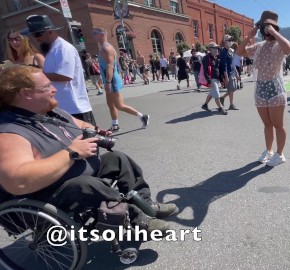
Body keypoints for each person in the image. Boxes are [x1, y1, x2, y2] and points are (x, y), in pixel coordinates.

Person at [0, 65, 178, 234]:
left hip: (79, 175)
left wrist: (92, 131)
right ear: (26, 93)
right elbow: (16, 181)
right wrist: (71, 153)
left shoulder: (49, 111)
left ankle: (145, 204)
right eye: (47, 86)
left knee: (117, 159)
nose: (54, 89)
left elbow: (80, 124)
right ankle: (137, 220)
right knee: (85, 185)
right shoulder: (9, 132)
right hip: (50, 195)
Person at [237, 10, 290, 167]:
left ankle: (280, 154)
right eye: (265, 28)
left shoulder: (280, 45)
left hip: (275, 89)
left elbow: (288, 48)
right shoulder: (259, 46)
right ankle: (269, 150)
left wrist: (273, 31)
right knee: (267, 125)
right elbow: (239, 52)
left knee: (278, 125)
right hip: (260, 90)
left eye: (270, 27)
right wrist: (249, 35)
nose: (266, 31)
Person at [21, 15, 96, 125]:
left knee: (88, 140)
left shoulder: (63, 48)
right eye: (33, 35)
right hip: (63, 108)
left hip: (74, 108)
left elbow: (65, 76)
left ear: (50, 31)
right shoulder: (53, 49)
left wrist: (38, 74)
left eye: (37, 34)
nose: (36, 38)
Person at [91, 26, 150, 132]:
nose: (93, 35)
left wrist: (108, 82)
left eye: (95, 33)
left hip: (112, 80)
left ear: (102, 35)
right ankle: (115, 125)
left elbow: (110, 66)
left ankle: (142, 116)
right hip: (108, 80)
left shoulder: (106, 48)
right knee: (110, 104)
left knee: (119, 105)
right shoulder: (103, 48)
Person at [200, 42, 228, 115]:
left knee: (212, 93)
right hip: (211, 79)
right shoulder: (206, 58)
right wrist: (209, 81)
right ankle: (220, 108)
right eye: (216, 48)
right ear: (211, 49)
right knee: (217, 94)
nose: (217, 50)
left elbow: (217, 70)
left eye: (217, 49)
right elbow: (205, 70)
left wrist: (221, 80)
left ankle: (205, 105)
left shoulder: (216, 58)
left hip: (216, 79)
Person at [219, 34, 239, 110]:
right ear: (224, 41)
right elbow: (224, 65)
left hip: (232, 72)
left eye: (231, 40)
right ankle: (231, 104)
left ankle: (223, 98)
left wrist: (236, 72)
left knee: (232, 89)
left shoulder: (230, 51)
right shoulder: (223, 52)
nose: (231, 42)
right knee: (231, 89)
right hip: (228, 73)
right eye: (229, 40)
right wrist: (226, 77)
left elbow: (233, 63)